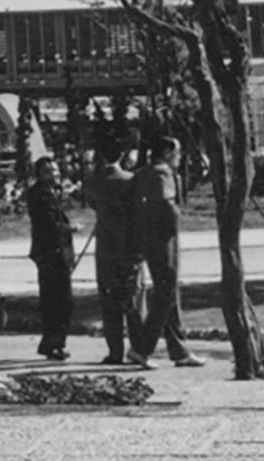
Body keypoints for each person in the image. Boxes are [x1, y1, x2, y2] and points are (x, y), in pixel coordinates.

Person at [128, 136, 205, 370]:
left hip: (148, 240)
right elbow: (165, 204)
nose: (179, 158)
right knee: (166, 293)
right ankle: (142, 348)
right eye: (177, 153)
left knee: (169, 294)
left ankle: (179, 350)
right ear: (168, 153)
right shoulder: (163, 173)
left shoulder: (142, 173)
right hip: (164, 240)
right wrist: (176, 219)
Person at [83, 148, 146, 365]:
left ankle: (115, 351)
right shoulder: (131, 180)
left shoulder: (93, 182)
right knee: (134, 301)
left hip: (106, 248)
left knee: (109, 303)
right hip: (129, 247)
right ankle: (139, 348)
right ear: (121, 155)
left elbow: (91, 203)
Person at [25, 158, 76, 360]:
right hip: (50, 254)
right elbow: (49, 224)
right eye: (49, 171)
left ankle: (53, 342)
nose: (55, 174)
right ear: (41, 173)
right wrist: (70, 228)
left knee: (55, 300)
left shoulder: (50, 192)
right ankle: (54, 344)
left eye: (55, 170)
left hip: (54, 253)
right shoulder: (40, 194)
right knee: (60, 300)